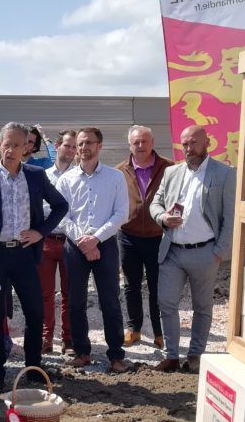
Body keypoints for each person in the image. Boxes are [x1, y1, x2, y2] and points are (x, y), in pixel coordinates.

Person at [0, 122, 68, 391]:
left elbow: (60, 205)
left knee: (35, 314)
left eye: (17, 145)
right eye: (6, 144)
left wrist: (40, 232)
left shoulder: (35, 176)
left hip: (24, 255)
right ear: (0, 144)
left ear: (27, 147)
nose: (10, 150)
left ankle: (33, 368)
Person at [150, 125, 236, 373]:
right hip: (172, 251)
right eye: (185, 144)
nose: (189, 149)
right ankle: (172, 356)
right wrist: (163, 218)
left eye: (194, 143)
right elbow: (156, 203)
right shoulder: (172, 172)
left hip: (205, 252)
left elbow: (230, 216)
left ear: (207, 142)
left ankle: (196, 355)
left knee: (202, 306)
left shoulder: (224, 174)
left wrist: (220, 250)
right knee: (165, 302)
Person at [55, 127, 131, 373]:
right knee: (75, 301)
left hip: (105, 245)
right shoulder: (66, 179)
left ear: (100, 146)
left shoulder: (115, 177)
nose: (84, 148)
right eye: (80, 144)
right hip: (75, 247)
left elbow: (122, 213)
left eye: (89, 143)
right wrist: (83, 241)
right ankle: (81, 351)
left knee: (110, 301)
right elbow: (61, 216)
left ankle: (116, 355)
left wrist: (95, 239)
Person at [115, 125, 172, 350]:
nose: (140, 146)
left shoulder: (169, 168)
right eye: (135, 142)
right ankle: (134, 329)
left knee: (158, 286)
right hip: (128, 237)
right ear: (129, 145)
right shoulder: (119, 171)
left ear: (152, 142)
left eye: (144, 141)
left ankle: (159, 333)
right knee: (131, 285)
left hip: (159, 236)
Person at [39, 129, 77, 354]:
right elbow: (41, 209)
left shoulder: (79, 176)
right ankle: (46, 337)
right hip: (47, 239)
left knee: (69, 293)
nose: (71, 150)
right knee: (45, 292)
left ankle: (68, 339)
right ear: (57, 147)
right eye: (67, 146)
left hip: (70, 241)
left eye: (74, 147)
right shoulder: (44, 175)